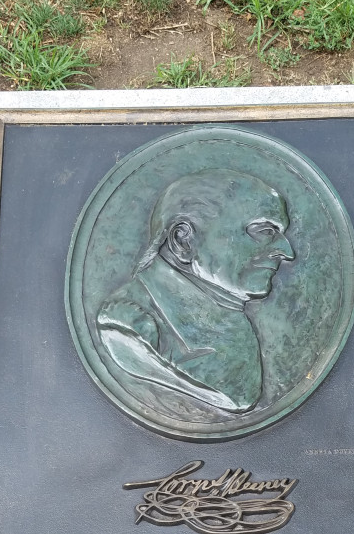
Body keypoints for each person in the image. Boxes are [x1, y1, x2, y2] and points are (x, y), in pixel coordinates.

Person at [96, 169, 295, 414]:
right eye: (265, 231)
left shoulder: (229, 321)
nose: (286, 252)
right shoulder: (129, 328)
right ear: (183, 240)